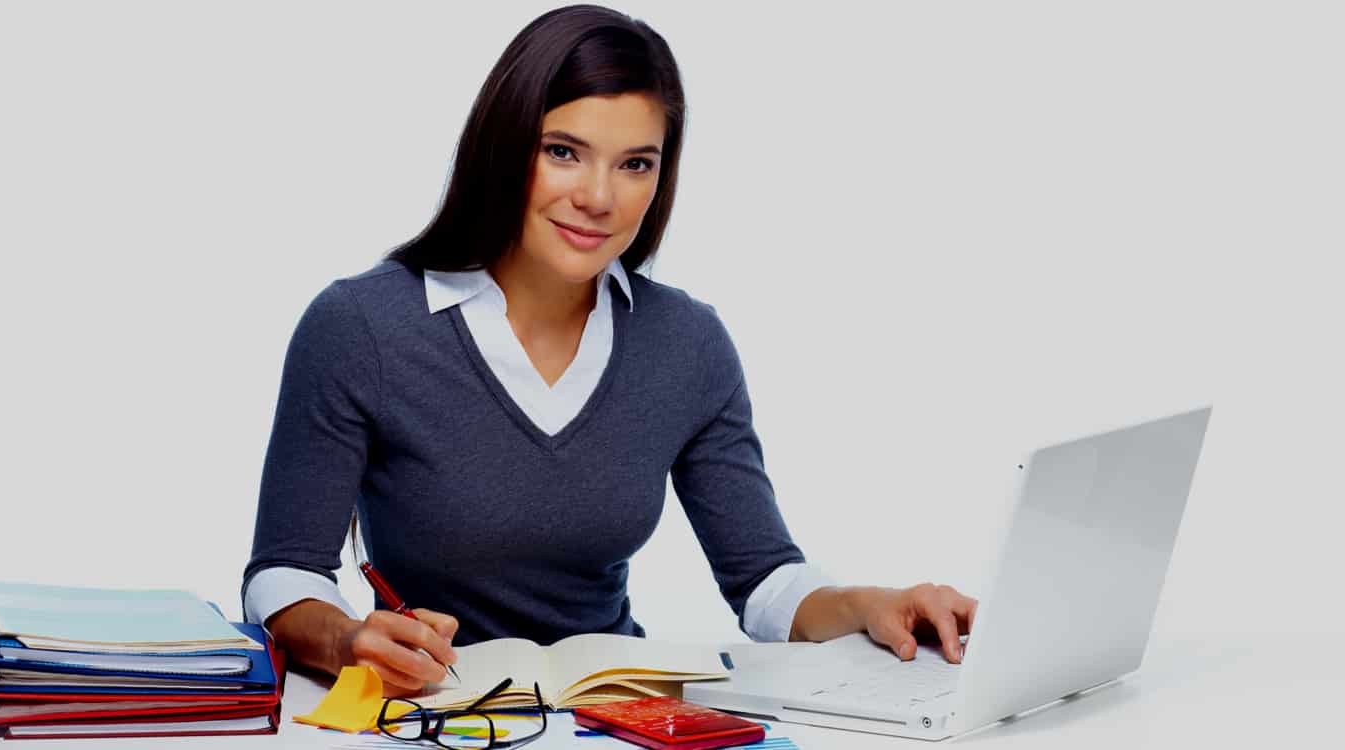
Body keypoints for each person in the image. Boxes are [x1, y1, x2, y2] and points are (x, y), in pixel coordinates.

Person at [242, 4, 977, 697]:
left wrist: (873, 604)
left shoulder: (687, 343)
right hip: (434, 710)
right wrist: (346, 639)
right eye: (564, 152)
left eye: (635, 164)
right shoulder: (361, 327)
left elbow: (764, 581)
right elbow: (284, 572)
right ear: (503, 150)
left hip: (613, 712)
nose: (600, 197)